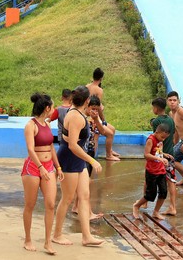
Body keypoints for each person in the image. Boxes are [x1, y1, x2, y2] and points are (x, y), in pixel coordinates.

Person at [52, 86, 104, 247]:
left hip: (78, 159)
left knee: (84, 195)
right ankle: (57, 235)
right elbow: (73, 145)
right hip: (69, 159)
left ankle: (86, 236)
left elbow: (69, 138)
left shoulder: (78, 113)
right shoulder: (75, 116)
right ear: (87, 100)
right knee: (67, 198)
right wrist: (92, 160)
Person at [21, 93, 63, 254]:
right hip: (33, 167)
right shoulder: (30, 125)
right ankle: (28, 239)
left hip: (49, 166)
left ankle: (47, 242)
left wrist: (58, 167)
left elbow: (51, 147)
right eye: (52, 107)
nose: (54, 109)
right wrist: (40, 167)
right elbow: (30, 149)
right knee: (30, 204)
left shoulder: (47, 124)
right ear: (47, 108)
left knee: (51, 204)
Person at [133, 123, 171, 219]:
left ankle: (156, 212)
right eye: (162, 137)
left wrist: (164, 155)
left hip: (161, 170)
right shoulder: (151, 140)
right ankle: (136, 206)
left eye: (165, 138)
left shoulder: (160, 140)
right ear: (157, 132)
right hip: (152, 171)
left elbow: (157, 151)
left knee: (163, 192)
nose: (163, 139)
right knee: (150, 195)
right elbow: (146, 154)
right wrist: (160, 159)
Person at [150, 98, 178, 215]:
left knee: (149, 178)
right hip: (170, 153)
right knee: (171, 180)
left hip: (160, 155)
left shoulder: (157, 121)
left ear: (156, 108)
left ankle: (144, 202)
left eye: (153, 107)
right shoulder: (171, 120)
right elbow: (175, 135)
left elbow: (156, 139)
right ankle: (173, 206)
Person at [86, 67, 119, 161]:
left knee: (112, 129)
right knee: (102, 135)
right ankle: (108, 155)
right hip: (93, 116)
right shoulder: (99, 90)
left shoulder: (87, 86)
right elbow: (98, 107)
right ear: (101, 78)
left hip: (89, 114)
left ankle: (110, 150)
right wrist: (103, 119)